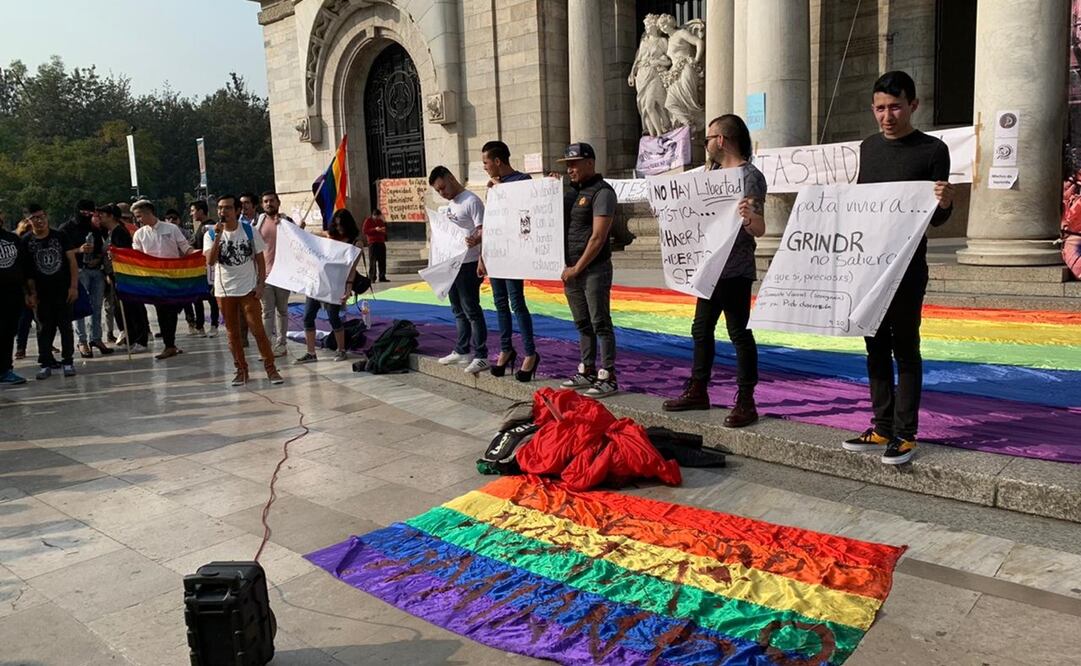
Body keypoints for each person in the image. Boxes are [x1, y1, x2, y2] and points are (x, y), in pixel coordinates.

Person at [842, 71, 954, 465]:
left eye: (895, 107)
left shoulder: (933, 150)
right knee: (873, 345)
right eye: (880, 108)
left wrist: (943, 204)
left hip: (908, 268)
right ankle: (882, 426)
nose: (887, 116)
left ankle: (906, 434)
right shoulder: (868, 147)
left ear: (913, 105)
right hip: (869, 265)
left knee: (905, 348)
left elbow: (936, 221)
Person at [662, 115, 765, 426]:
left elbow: (759, 228)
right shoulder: (712, 175)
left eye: (707, 139)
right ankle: (698, 389)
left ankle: (746, 401)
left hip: (734, 269)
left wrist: (748, 218)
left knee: (739, 334)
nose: (705, 145)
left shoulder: (749, 177)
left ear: (721, 140)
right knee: (701, 330)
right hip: (708, 268)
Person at [555, 143, 618, 398]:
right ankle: (588, 368)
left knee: (600, 321)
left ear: (590, 163)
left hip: (593, 269)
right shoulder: (570, 194)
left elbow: (598, 237)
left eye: (574, 164)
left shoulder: (602, 193)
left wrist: (577, 267)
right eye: (567, 165)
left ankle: (609, 375)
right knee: (582, 322)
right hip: (571, 270)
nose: (570, 169)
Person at [204, 194, 284, 386]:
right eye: (221, 208)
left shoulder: (249, 231)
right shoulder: (211, 234)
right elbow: (210, 261)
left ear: (237, 211)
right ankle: (241, 370)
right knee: (233, 333)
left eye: (228, 208)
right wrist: (218, 237)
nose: (224, 212)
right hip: (224, 291)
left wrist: (260, 284)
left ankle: (271, 369)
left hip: (248, 289)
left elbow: (259, 259)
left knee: (258, 330)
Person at [477, 140, 540, 382]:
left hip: (515, 252)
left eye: (486, 162)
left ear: (498, 161)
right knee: (499, 303)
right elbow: (490, 223)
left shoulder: (522, 180)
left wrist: (498, 189)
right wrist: (482, 255)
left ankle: (530, 352)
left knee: (517, 301)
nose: (484, 167)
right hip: (496, 252)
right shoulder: (491, 186)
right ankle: (506, 349)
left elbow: (525, 214)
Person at [429, 165, 489, 375]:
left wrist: (476, 240)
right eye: (438, 191)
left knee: (471, 309)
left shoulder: (471, 201)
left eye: (443, 187)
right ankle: (462, 349)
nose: (442, 193)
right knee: (457, 310)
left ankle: (481, 354)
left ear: (451, 178)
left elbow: (483, 229)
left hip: (469, 263)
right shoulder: (448, 206)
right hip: (451, 263)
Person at [294, 209, 364, 364]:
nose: (338, 228)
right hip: (317, 283)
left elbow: (351, 271)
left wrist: (347, 290)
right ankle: (311, 353)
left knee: (333, 317)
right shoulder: (329, 236)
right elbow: (307, 238)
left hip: (336, 286)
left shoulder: (355, 243)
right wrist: (300, 228)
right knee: (308, 317)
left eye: (341, 225)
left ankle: (341, 350)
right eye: (336, 225)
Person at [131, 199, 195, 360]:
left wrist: (200, 254)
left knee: (172, 310)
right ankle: (169, 344)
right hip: (154, 280)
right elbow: (136, 256)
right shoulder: (139, 234)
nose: (138, 220)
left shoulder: (171, 228)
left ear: (148, 212)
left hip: (173, 277)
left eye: (139, 216)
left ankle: (170, 344)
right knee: (161, 311)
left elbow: (185, 248)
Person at [22, 204, 79, 379]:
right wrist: (30, 293)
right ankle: (45, 362)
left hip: (63, 290)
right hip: (41, 293)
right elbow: (27, 271)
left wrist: (73, 286)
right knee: (44, 328)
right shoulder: (26, 241)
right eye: (35, 218)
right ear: (28, 221)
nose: (39, 221)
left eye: (42, 216)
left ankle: (68, 360)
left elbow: (72, 262)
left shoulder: (60, 236)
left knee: (65, 327)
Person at [60, 199, 113, 358]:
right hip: (78, 271)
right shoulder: (66, 229)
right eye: (84, 212)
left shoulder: (94, 228)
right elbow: (63, 253)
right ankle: (82, 341)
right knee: (80, 307)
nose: (87, 215)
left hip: (96, 270)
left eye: (90, 213)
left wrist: (98, 257)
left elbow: (100, 248)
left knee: (96, 307)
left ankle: (96, 338)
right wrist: (79, 250)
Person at [98, 204, 150, 352]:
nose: (100, 217)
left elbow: (126, 253)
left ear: (111, 216)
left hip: (124, 275)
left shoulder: (119, 232)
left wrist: (116, 258)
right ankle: (132, 337)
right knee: (123, 309)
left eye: (102, 214)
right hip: (114, 275)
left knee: (133, 307)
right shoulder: (110, 232)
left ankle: (141, 338)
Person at [254, 191, 298, 357]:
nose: (269, 204)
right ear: (262, 204)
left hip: (284, 275)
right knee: (267, 312)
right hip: (265, 275)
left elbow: (298, 243)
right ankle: (266, 347)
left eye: (272, 200)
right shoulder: (257, 224)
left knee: (283, 311)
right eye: (265, 201)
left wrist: (296, 230)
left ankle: (281, 345)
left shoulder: (287, 222)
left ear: (278, 203)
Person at [1, 218, 29, 385]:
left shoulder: (12, 239)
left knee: (9, 332)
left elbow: (23, 266)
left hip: (13, 293)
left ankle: (6, 369)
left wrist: (28, 291)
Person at [188, 200, 219, 338]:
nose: (191, 213)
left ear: (201, 211)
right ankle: (200, 326)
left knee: (212, 297)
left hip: (209, 268)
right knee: (197, 297)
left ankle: (214, 325)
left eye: (193, 210)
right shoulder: (199, 227)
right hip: (198, 269)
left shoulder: (210, 227)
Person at [13, 216, 34, 360]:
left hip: (36, 282)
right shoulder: (18, 245)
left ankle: (46, 344)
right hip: (23, 285)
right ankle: (21, 347)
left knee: (42, 319)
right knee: (25, 318)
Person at [362, 208, 388, 283]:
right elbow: (365, 231)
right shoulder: (368, 221)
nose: (379, 218)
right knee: (372, 260)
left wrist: (382, 230)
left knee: (382, 260)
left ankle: (382, 276)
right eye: (378, 216)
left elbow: (384, 231)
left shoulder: (380, 221)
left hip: (381, 242)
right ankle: (372, 277)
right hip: (373, 243)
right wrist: (375, 229)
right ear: (374, 215)